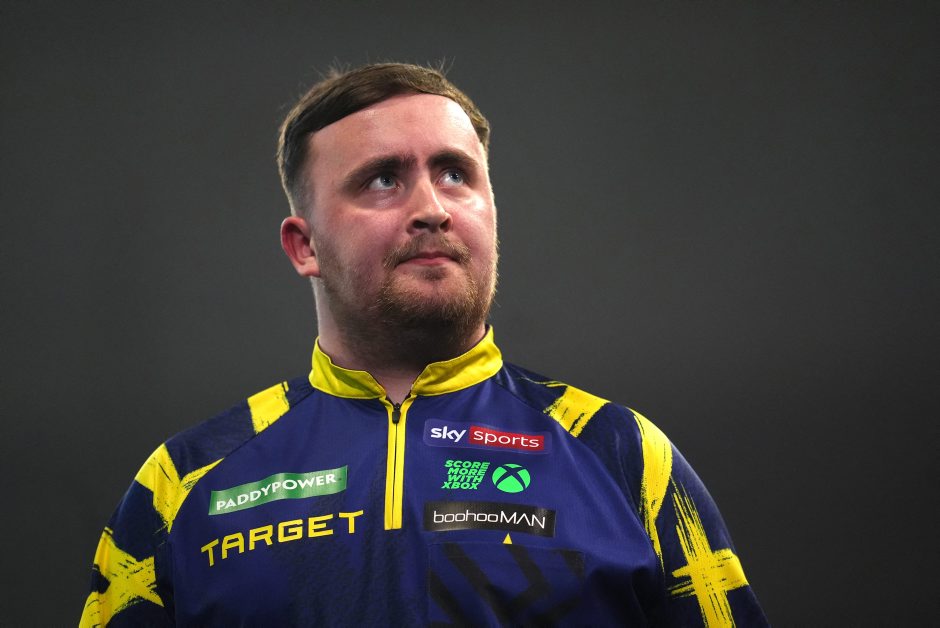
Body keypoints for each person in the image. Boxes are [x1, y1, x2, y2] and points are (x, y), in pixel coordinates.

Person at [81, 62, 768, 626]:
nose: (432, 209)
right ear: (304, 245)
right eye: (383, 179)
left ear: (491, 212)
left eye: (455, 174)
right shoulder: (182, 484)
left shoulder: (624, 458)